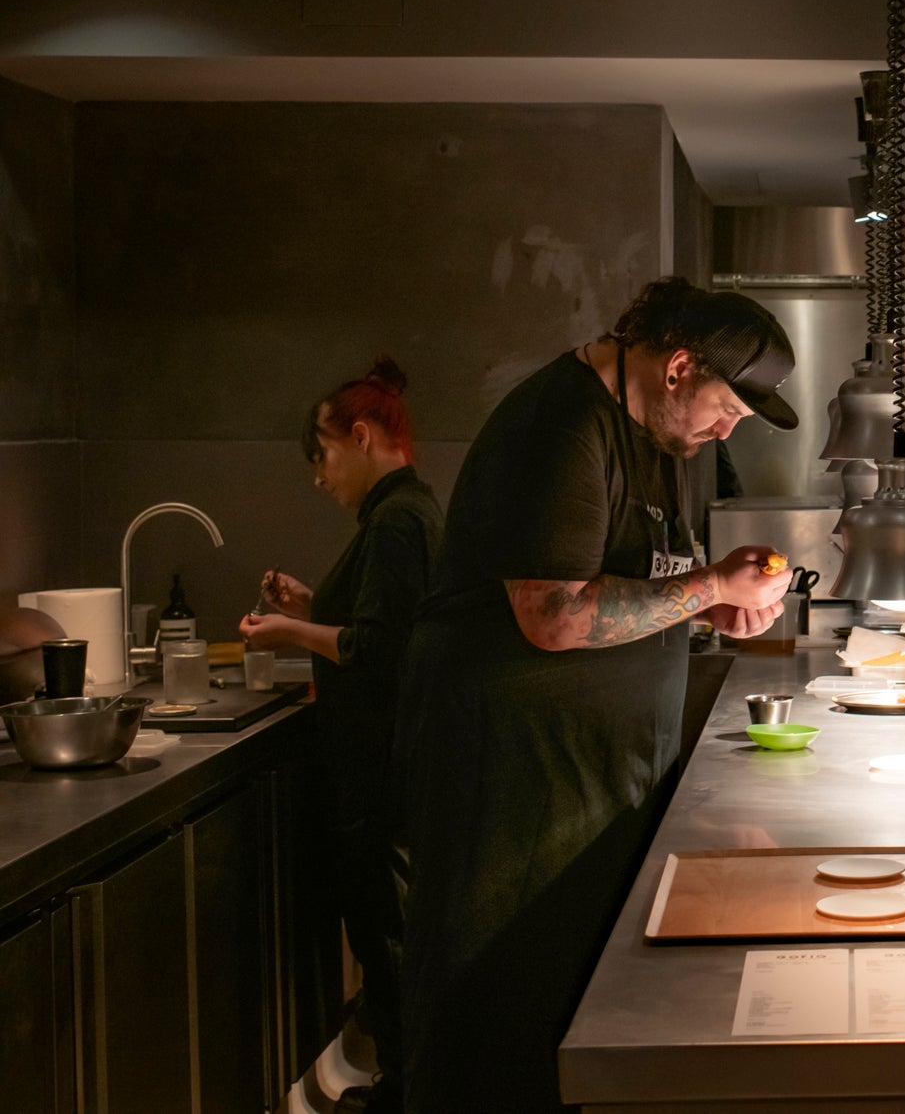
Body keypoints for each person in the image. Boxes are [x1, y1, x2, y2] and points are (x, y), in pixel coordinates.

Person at [395, 279, 798, 1114]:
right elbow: (554, 612)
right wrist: (707, 585)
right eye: (729, 407)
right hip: (510, 778)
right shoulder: (560, 423)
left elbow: (648, 585)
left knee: (563, 1014)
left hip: (594, 775)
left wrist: (712, 599)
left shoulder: (662, 435)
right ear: (680, 366)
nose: (730, 428)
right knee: (491, 1007)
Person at [240, 356, 444, 1114]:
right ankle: (404, 1083)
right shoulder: (401, 512)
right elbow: (372, 617)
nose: (319, 478)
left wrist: (292, 630)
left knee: (390, 942)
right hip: (388, 767)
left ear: (360, 436)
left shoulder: (397, 518)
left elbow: (384, 647)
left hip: (381, 770)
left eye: (322, 456)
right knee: (390, 938)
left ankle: (404, 1093)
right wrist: (311, 600)